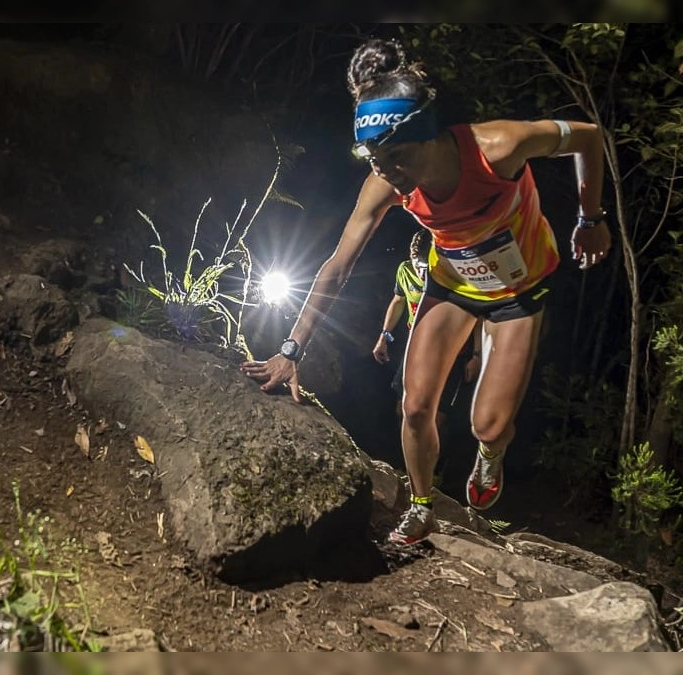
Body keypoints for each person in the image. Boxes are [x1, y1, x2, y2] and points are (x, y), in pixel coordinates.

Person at [240, 39, 611, 546]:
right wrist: (291, 350)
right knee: (415, 406)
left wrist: (591, 219)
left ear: (428, 136)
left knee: (488, 424)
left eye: (395, 154)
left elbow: (589, 138)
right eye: (372, 156)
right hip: (453, 284)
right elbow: (336, 266)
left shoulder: (498, 147)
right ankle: (421, 506)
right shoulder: (385, 186)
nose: (383, 169)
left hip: (519, 289)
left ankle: (492, 454)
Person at [373, 230, 482, 428]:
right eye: (419, 267)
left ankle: (438, 458)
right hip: (417, 344)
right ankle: (403, 455)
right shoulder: (405, 271)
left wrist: (476, 355)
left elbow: (476, 314)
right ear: (411, 259)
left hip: (452, 349)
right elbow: (398, 301)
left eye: (427, 267)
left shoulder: (449, 275)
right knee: (403, 405)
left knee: (437, 416)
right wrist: (384, 337)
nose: (424, 274)